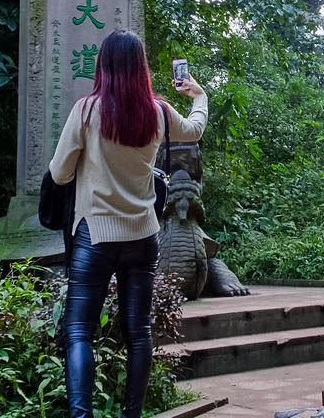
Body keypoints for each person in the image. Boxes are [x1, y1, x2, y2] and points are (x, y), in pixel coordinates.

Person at [49, 30, 208, 418]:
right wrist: (199, 96)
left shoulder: (87, 110)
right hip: (143, 236)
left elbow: (59, 173)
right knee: (138, 335)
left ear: (103, 65)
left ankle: (81, 415)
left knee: (79, 332)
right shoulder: (157, 111)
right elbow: (195, 130)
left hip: (95, 238)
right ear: (141, 67)